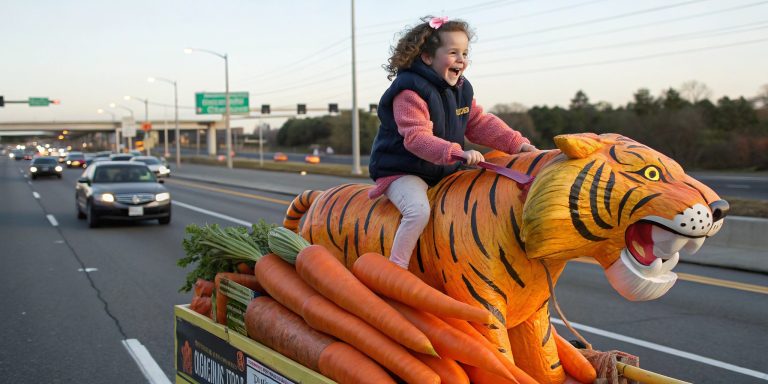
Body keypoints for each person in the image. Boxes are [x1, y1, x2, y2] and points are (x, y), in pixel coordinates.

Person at [368, 16, 536, 269]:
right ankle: (396, 268)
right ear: (427, 57)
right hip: (403, 170)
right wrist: (456, 153)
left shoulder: (461, 89)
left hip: (442, 169)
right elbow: (416, 139)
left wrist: (517, 144)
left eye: (465, 53)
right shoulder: (409, 92)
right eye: (453, 52)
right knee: (418, 211)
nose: (461, 59)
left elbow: (478, 122)